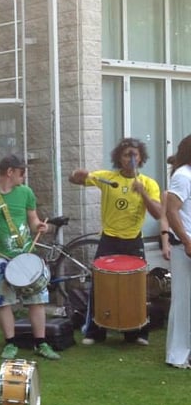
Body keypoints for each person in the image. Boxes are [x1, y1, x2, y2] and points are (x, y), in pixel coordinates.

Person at [0, 154, 58, 360]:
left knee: (36, 299)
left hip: (26, 253)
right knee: (3, 301)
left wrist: (39, 226)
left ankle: (41, 343)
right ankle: (10, 344)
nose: (23, 177)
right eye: (21, 173)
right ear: (10, 172)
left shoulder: (26, 192)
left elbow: (32, 219)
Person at [69, 137, 161, 346]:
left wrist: (143, 193)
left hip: (133, 240)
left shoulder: (149, 183)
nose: (131, 159)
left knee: (136, 286)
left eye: (134, 155)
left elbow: (158, 214)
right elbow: (75, 179)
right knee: (100, 284)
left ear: (141, 158)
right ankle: (95, 332)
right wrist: (76, 174)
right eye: (126, 155)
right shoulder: (107, 178)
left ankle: (136, 332)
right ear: (119, 158)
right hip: (109, 240)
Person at [163, 138, 191, 368]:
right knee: (183, 301)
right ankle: (177, 354)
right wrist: (186, 240)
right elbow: (172, 212)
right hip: (185, 247)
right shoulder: (182, 176)